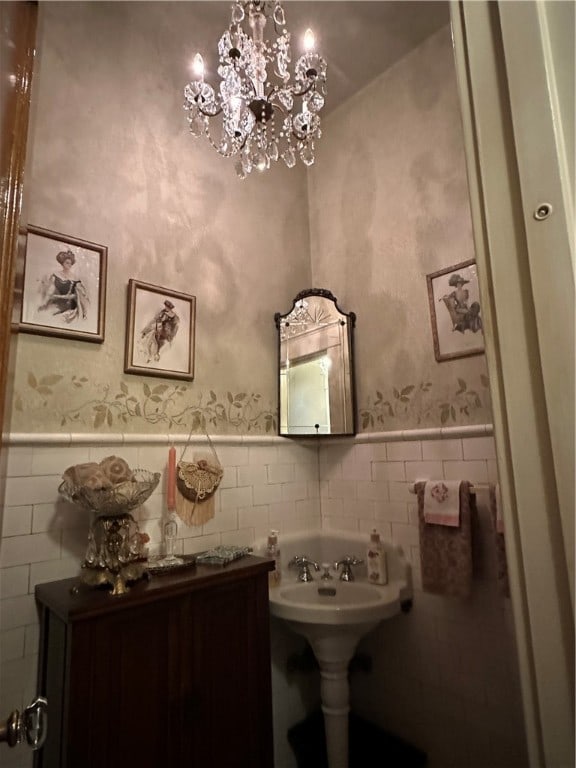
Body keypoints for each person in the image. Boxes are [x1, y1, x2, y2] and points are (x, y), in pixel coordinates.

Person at [38, 249, 88, 323]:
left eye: (70, 263)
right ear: (62, 263)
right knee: (45, 316)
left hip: (69, 307)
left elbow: (80, 296)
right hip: (56, 304)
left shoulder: (75, 279)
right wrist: (45, 302)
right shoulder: (55, 276)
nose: (69, 265)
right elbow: (50, 291)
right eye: (67, 263)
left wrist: (84, 312)